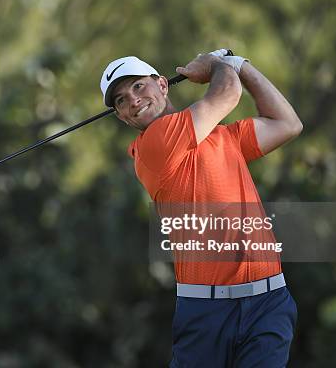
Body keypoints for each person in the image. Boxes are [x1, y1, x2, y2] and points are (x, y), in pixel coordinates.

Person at [99, 50, 303, 367]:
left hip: (268, 303)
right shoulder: (154, 146)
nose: (133, 101)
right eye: (122, 101)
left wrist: (242, 66)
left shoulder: (222, 137)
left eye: (138, 87)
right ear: (123, 117)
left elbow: (287, 123)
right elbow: (227, 93)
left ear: (163, 85)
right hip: (208, 312)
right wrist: (217, 65)